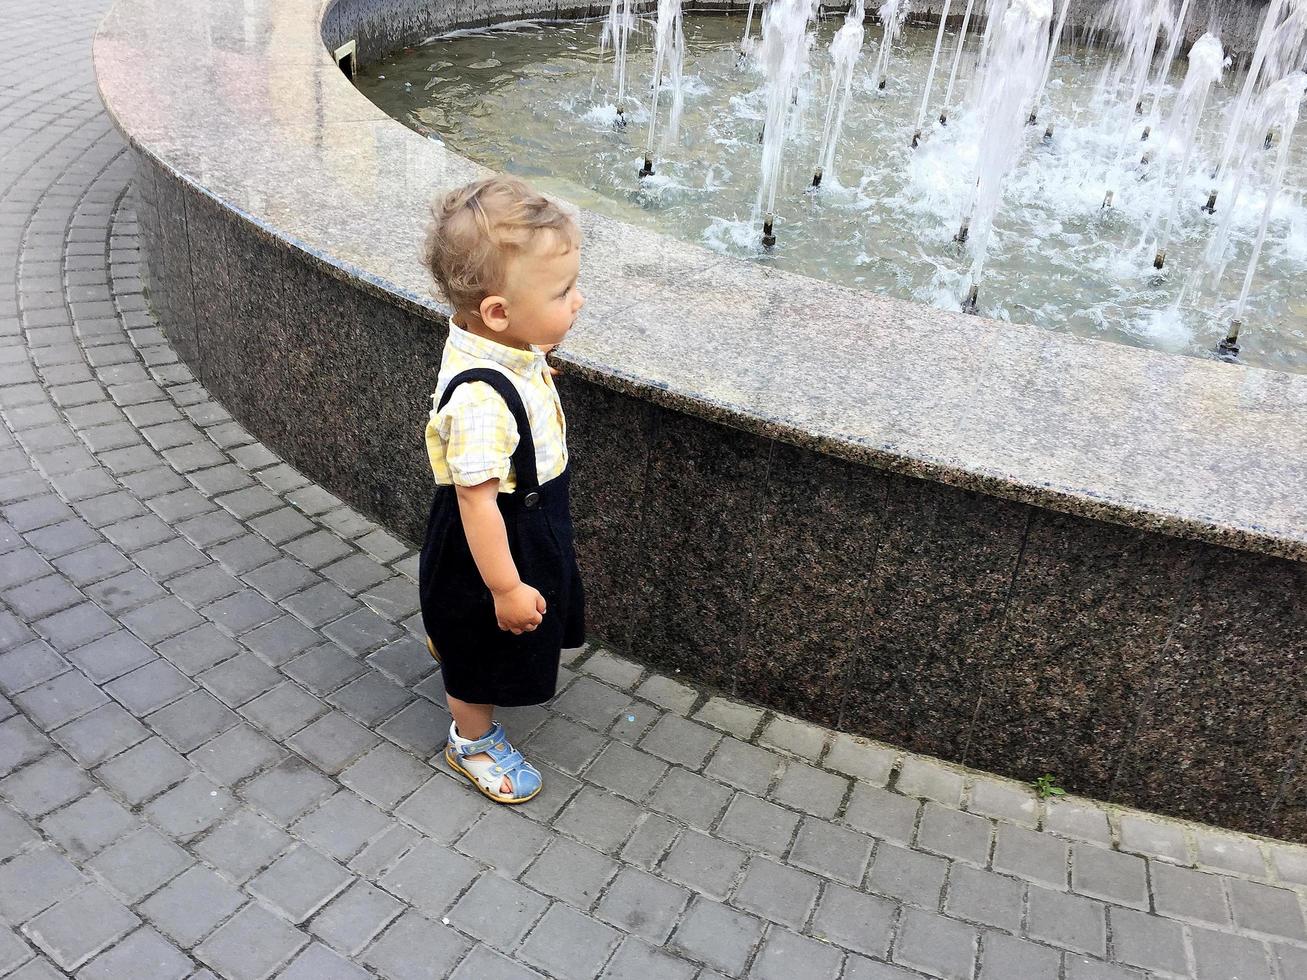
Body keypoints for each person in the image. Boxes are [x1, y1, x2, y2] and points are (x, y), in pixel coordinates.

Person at [418, 174, 586, 803]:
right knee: (481, 640)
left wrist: (533, 359)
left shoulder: (499, 343)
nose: (578, 302)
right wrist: (507, 588)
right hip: (491, 541)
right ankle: (473, 739)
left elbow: (514, 353)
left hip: (527, 514)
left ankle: (455, 633)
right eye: (563, 292)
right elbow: (475, 501)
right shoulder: (485, 400)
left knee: (479, 627)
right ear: (497, 311)